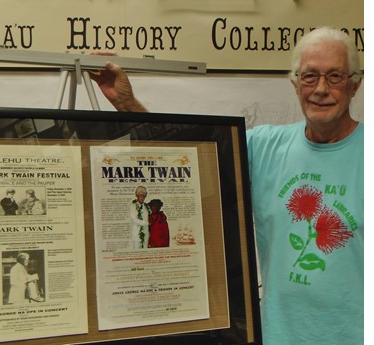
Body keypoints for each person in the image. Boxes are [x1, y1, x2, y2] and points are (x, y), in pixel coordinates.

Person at [90, 27, 364, 345]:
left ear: (354, 85)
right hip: (278, 337)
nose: (320, 89)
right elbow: (184, 162)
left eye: (334, 77)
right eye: (309, 77)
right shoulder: (263, 147)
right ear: (294, 83)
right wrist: (126, 102)